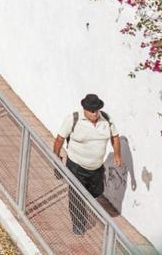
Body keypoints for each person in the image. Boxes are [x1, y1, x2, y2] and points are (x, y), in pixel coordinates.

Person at [53, 93, 121, 235]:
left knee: (96, 192)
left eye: (96, 110)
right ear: (84, 109)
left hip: (96, 168)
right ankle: (78, 224)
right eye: (91, 111)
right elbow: (59, 139)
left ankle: (83, 203)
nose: (95, 113)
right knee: (76, 195)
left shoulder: (106, 119)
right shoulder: (73, 119)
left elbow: (115, 137)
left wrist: (117, 154)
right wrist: (56, 158)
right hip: (76, 165)